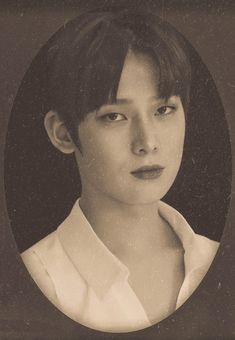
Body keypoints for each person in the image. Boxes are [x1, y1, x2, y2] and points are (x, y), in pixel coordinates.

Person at [19, 8, 220, 333]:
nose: (147, 142)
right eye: (114, 116)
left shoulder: (213, 258)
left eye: (164, 109)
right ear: (63, 133)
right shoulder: (37, 279)